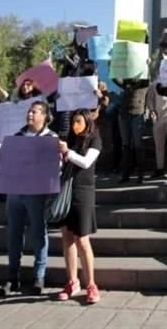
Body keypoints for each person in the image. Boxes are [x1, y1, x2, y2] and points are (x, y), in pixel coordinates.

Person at [0, 101, 60, 296]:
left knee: (38, 233)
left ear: (44, 116)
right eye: (29, 112)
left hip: (37, 194)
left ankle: (39, 275)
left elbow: (56, 167)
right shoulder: (16, 137)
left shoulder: (51, 138)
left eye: (34, 112)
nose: (30, 115)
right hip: (15, 192)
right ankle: (12, 277)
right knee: (14, 234)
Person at [56, 110, 102, 304]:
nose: (75, 125)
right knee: (67, 237)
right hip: (66, 190)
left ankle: (91, 284)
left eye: (79, 121)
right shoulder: (70, 140)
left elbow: (85, 162)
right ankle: (72, 281)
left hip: (83, 192)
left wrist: (67, 152)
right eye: (73, 121)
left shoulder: (94, 140)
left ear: (87, 122)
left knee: (82, 239)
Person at [111, 77, 150, 184]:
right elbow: (116, 79)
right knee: (126, 145)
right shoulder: (126, 79)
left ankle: (141, 174)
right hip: (124, 114)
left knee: (138, 144)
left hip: (137, 113)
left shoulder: (143, 81)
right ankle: (125, 174)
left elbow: (144, 81)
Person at [145, 73, 167, 180]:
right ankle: (159, 168)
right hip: (158, 117)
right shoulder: (155, 84)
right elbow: (150, 98)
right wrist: (152, 110)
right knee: (159, 145)